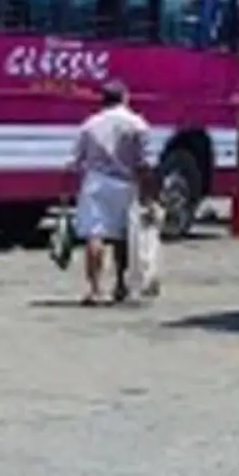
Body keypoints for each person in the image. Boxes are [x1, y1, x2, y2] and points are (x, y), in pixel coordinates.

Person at [68, 81, 156, 307]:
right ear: (125, 98)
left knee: (94, 235)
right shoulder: (137, 124)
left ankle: (95, 288)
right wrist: (148, 194)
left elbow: (77, 160)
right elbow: (144, 163)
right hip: (125, 184)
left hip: (96, 182)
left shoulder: (90, 124)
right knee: (123, 236)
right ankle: (120, 285)